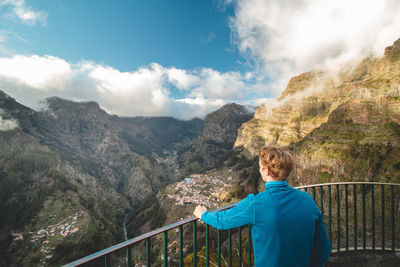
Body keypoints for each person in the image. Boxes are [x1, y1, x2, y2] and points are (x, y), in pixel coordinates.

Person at [194, 146, 331, 266]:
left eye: (260, 167)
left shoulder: (256, 203)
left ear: (267, 171)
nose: (259, 171)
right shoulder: (307, 200)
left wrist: (203, 214)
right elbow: (323, 249)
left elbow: (222, 220)